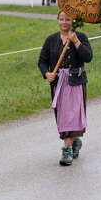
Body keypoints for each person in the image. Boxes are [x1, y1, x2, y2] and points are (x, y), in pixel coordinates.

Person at [38, 11, 93, 166]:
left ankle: (67, 149)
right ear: (57, 21)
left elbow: (88, 57)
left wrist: (76, 42)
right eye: (61, 19)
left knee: (72, 116)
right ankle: (75, 142)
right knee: (63, 116)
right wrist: (46, 73)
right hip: (59, 84)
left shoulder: (80, 37)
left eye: (68, 19)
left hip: (76, 82)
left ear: (73, 21)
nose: (64, 22)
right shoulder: (51, 40)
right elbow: (42, 61)